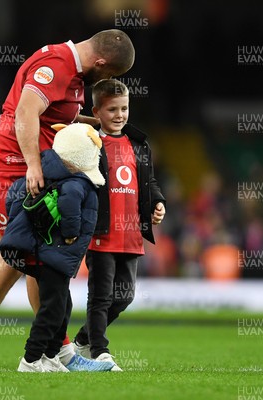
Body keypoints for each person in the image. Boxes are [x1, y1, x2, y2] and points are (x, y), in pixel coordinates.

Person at [0, 30, 135, 371]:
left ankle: (60, 354)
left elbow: (55, 120)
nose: (106, 81)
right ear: (101, 62)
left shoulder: (71, 74)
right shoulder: (56, 64)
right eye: (109, 74)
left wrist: (102, 127)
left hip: (30, 171)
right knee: (15, 258)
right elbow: (26, 114)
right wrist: (32, 165)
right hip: (10, 170)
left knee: (38, 262)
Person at [0, 123, 113, 372]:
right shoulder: (75, 183)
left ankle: (50, 357)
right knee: (52, 310)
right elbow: (71, 206)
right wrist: (72, 234)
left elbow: (12, 198)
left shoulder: (48, 176)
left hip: (50, 256)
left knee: (63, 306)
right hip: (55, 256)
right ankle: (30, 360)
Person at [72, 79, 166, 370]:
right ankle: (100, 351)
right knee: (100, 297)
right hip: (101, 233)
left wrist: (157, 203)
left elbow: (148, 182)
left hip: (131, 233)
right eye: (112, 109)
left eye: (124, 108)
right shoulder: (89, 143)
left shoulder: (138, 144)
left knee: (125, 296)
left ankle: (81, 340)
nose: (120, 115)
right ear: (96, 111)